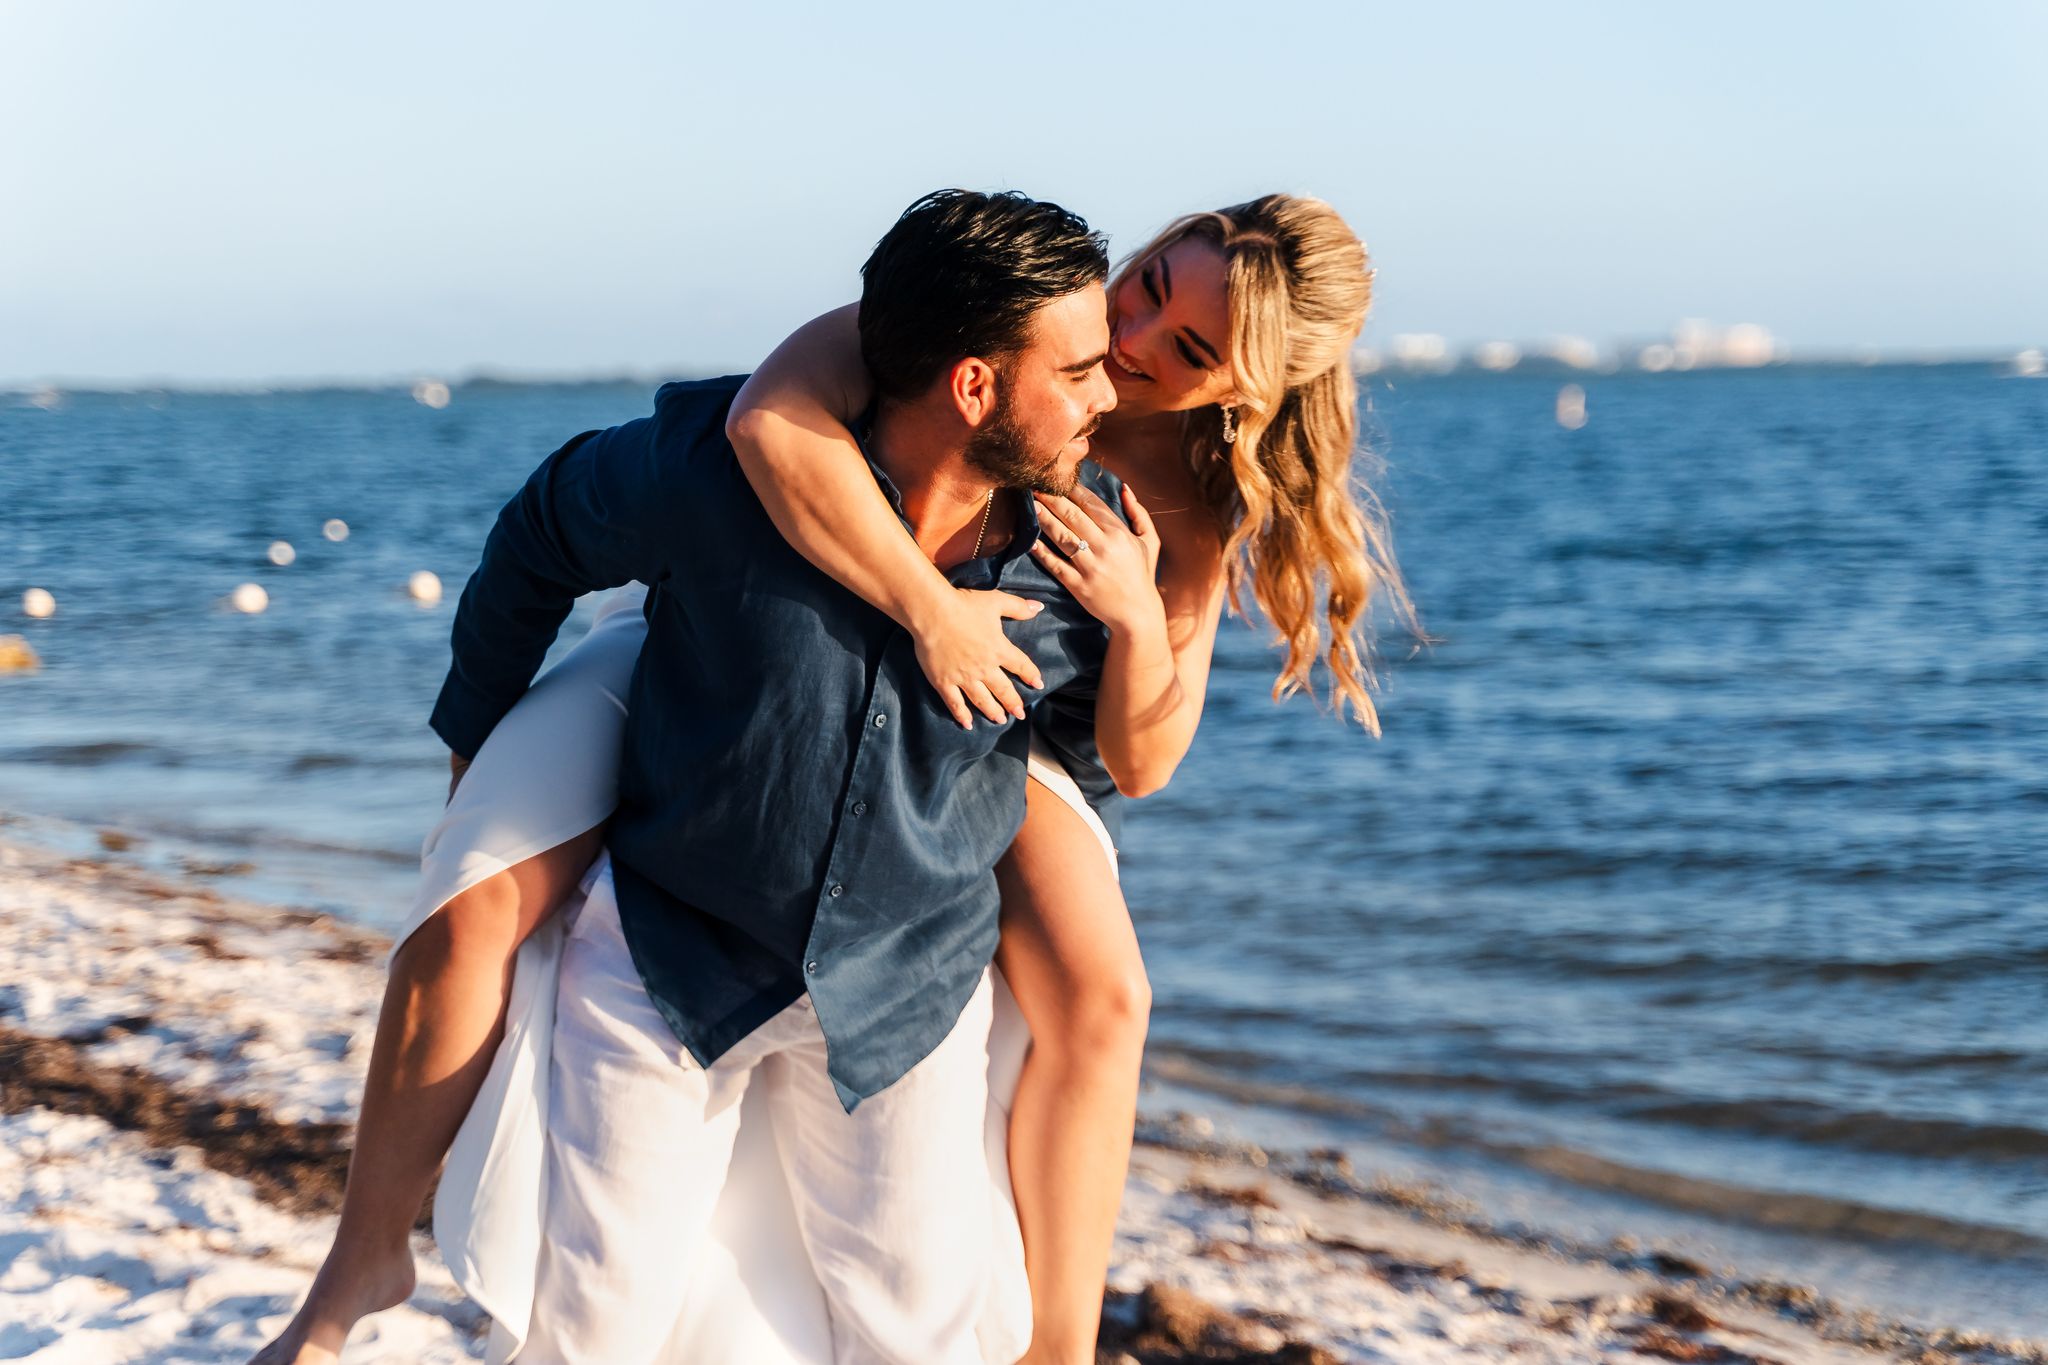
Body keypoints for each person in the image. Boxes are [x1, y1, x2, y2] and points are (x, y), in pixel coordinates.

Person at [253, 192, 1416, 1365]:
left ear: (1243, 389)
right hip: (768, 627)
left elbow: (1141, 756)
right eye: (1154, 284)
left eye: (1188, 349)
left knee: (1102, 994)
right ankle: (355, 1270)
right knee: (475, 889)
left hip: (1009, 733)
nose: (1131, 341)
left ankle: (1055, 1345)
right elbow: (765, 426)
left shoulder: (1178, 504)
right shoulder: (968, 320)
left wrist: (1133, 618)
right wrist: (930, 613)